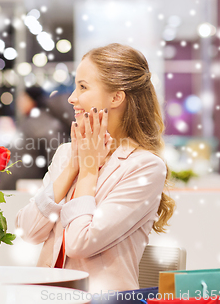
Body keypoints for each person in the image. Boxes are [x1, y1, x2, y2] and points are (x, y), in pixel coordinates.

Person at [15, 43, 175, 293]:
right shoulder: (67, 153)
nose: (71, 98)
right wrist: (72, 169)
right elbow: (27, 232)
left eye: (83, 87)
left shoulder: (144, 167)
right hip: (47, 296)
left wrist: (88, 171)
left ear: (116, 97)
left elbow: (79, 243)